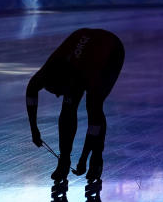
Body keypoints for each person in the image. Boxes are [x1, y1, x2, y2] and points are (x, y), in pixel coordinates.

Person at [27, 28, 125, 182]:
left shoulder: (91, 77)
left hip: (111, 52)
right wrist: (34, 129)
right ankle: (64, 161)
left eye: (58, 91)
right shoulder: (49, 68)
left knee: (94, 105)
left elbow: (94, 124)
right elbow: (31, 90)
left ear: (67, 82)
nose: (58, 95)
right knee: (68, 107)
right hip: (83, 49)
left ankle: (97, 159)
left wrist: (85, 158)